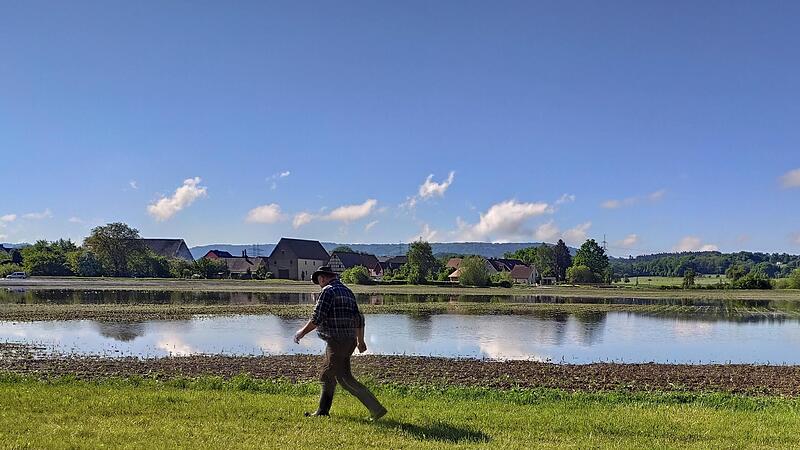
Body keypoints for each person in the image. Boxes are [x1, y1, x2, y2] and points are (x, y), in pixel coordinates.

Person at [293, 266, 387, 420]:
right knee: (342, 377)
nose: (319, 284)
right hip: (348, 341)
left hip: (337, 341)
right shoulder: (348, 291)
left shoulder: (328, 291)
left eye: (318, 281)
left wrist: (301, 332)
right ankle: (325, 412)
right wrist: (360, 341)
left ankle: (374, 408)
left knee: (328, 375)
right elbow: (359, 318)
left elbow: (317, 317)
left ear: (322, 278)